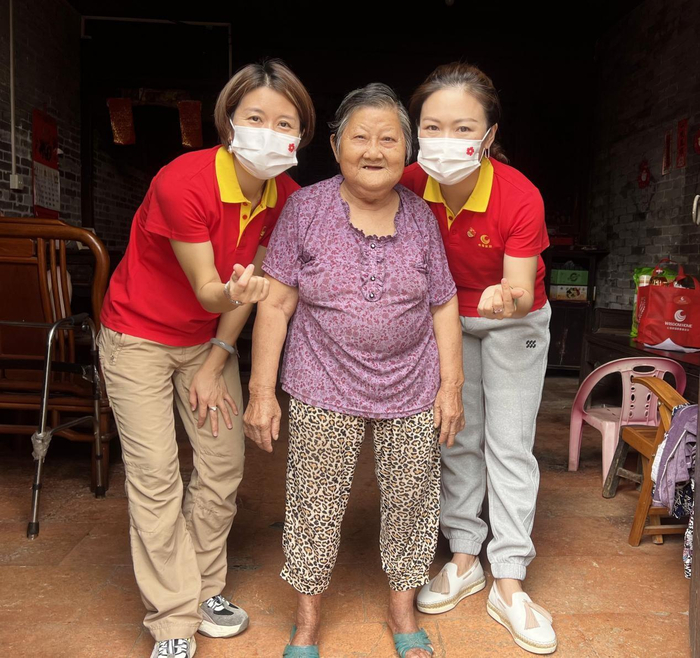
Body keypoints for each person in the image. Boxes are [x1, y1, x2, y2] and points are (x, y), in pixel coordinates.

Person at [98, 59, 315, 658]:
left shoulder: (287, 196)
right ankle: (172, 619)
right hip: (138, 337)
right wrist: (240, 294)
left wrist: (218, 358)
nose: (270, 133)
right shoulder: (184, 181)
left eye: (285, 123)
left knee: (222, 465)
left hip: (206, 341)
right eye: (256, 118)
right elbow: (212, 290)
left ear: (301, 135)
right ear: (229, 121)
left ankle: (202, 588)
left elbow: (251, 285)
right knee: (156, 477)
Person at [243, 83, 464, 658]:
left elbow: (442, 303)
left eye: (388, 139)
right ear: (336, 145)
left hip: (411, 382)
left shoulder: (422, 217)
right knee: (313, 503)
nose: (373, 150)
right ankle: (307, 622)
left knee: (413, 499)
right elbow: (276, 303)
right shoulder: (304, 210)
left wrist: (451, 386)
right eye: (360, 137)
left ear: (406, 151)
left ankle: (402, 611)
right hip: (322, 378)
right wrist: (261, 391)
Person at [403, 62, 556, 655]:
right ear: (416, 130)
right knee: (458, 435)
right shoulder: (409, 182)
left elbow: (518, 286)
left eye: (463, 127)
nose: (446, 141)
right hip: (447, 319)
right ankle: (465, 557)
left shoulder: (518, 195)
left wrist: (505, 296)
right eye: (432, 127)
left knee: (509, 443)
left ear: (489, 135)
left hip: (514, 318)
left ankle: (509, 577)